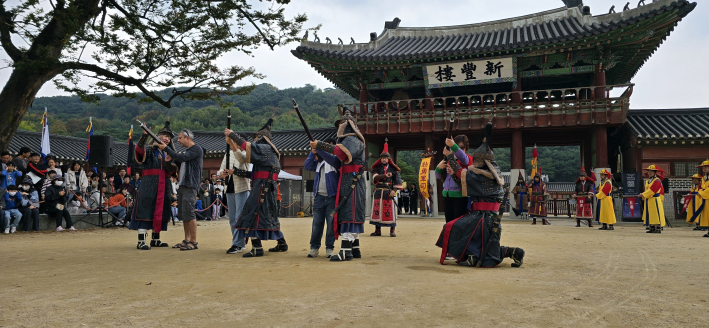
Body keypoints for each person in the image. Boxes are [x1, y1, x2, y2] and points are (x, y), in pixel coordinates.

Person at [436, 123, 525, 268]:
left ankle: (466, 255)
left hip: (482, 218)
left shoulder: (484, 176)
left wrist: (451, 156)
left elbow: (462, 174)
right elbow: (462, 180)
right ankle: (513, 252)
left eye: (477, 160)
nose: (475, 162)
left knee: (455, 228)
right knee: (486, 247)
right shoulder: (491, 173)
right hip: (485, 216)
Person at [225, 118, 288, 257]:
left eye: (257, 137)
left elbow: (247, 146)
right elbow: (255, 173)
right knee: (268, 216)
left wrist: (233, 135)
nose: (254, 140)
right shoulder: (268, 153)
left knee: (252, 214)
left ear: (263, 138)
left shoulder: (265, 149)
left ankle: (257, 247)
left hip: (262, 189)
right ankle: (282, 243)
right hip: (265, 187)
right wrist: (236, 172)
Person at [311, 110, 366, 262]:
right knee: (349, 213)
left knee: (349, 213)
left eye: (342, 124)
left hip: (352, 181)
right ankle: (354, 249)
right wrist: (321, 151)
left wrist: (321, 145)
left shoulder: (353, 141)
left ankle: (345, 250)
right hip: (348, 179)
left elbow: (342, 154)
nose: (339, 127)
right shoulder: (347, 142)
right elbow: (336, 161)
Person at [130, 120, 180, 250]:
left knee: (161, 209)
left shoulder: (169, 153)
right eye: (165, 136)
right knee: (146, 209)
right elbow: (139, 150)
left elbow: (172, 170)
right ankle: (141, 240)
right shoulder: (149, 150)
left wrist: (169, 161)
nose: (167, 139)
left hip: (164, 184)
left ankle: (155, 239)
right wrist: (145, 135)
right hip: (149, 184)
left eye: (169, 137)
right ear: (157, 136)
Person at [160, 127, 203, 251]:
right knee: (183, 214)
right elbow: (180, 161)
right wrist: (172, 159)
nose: (178, 140)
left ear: (187, 138)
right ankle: (187, 239)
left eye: (180, 138)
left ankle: (193, 241)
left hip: (190, 185)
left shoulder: (196, 149)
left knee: (190, 213)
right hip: (183, 184)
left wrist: (167, 149)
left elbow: (182, 158)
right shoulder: (188, 152)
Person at [304, 136, 339, 258]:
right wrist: (312, 152)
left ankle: (329, 248)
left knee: (330, 224)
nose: (327, 148)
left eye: (329, 146)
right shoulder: (319, 163)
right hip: (319, 197)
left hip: (332, 197)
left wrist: (318, 149)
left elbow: (328, 157)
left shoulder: (335, 160)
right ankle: (314, 248)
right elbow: (307, 165)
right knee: (317, 224)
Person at [218, 136, 251, 255]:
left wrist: (232, 145)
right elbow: (220, 170)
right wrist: (221, 173)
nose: (236, 143)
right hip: (229, 188)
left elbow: (242, 161)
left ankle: (237, 243)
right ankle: (239, 242)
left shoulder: (246, 153)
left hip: (242, 187)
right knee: (232, 218)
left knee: (239, 217)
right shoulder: (228, 154)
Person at [370, 139, 403, 237]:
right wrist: (385, 175)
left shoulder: (394, 169)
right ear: (380, 159)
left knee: (389, 211)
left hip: (388, 192)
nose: (384, 159)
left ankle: (392, 230)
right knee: (377, 211)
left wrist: (394, 190)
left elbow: (398, 181)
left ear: (389, 159)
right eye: (382, 158)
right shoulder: (376, 169)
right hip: (378, 192)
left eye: (385, 158)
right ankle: (377, 230)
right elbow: (375, 177)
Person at [435, 135, 472, 223]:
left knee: (459, 223)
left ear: (466, 148)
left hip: (460, 196)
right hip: (447, 195)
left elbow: (465, 160)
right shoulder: (448, 159)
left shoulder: (468, 158)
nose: (457, 150)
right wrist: (438, 167)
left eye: (461, 148)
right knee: (449, 223)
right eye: (456, 147)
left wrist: (453, 146)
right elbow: (438, 176)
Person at [640, 164, 666, 234]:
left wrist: (643, 194)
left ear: (655, 172)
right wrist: (644, 195)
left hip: (655, 199)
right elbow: (647, 189)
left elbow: (653, 190)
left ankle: (657, 227)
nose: (650, 172)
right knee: (649, 213)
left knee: (656, 213)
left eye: (652, 171)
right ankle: (651, 227)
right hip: (649, 199)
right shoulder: (648, 180)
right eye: (649, 171)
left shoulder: (657, 180)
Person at [697, 161, 709, 236]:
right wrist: (701, 192)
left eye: (706, 167)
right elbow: (700, 188)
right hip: (706, 198)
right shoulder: (704, 178)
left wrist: (701, 192)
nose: (704, 169)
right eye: (703, 167)